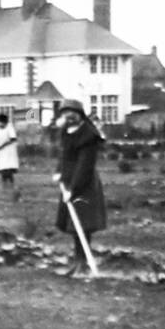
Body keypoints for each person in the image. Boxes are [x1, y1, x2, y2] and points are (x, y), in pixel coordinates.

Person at [53, 99, 107, 277]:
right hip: (69, 181)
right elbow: (64, 155)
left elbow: (85, 165)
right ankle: (78, 261)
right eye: (65, 115)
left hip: (84, 185)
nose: (68, 119)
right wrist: (59, 171)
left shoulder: (88, 135)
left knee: (83, 224)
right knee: (73, 225)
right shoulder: (66, 132)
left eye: (72, 115)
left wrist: (73, 189)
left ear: (79, 115)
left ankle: (83, 263)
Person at [0, 113, 20, 200]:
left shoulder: (10, 128)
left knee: (9, 170)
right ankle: (4, 187)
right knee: (3, 170)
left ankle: (11, 186)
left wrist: (3, 146)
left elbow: (13, 139)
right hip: (1, 153)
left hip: (9, 152)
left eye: (0, 122)